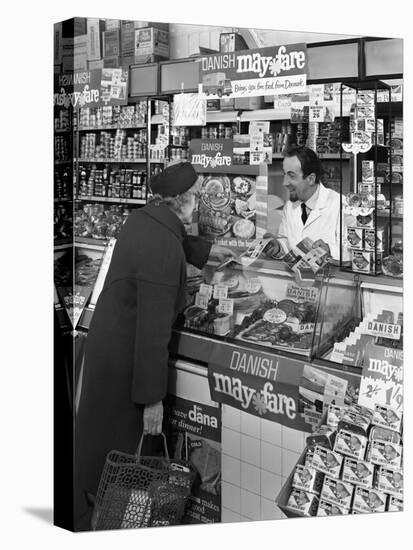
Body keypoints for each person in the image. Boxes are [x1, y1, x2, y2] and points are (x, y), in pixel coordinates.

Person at [74, 162, 234, 531]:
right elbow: (152, 330)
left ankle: (84, 511)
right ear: (181, 200)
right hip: (128, 363)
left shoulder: (141, 220)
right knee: (122, 457)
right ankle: (106, 523)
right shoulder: (162, 248)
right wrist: (151, 399)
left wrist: (213, 251)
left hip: (107, 350)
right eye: (194, 197)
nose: (198, 204)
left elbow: (174, 238)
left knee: (95, 445)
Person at [266, 145, 354, 261]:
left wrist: (330, 250)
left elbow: (355, 251)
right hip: (295, 277)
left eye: (291, 176)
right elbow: (287, 242)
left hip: (329, 277)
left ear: (311, 179)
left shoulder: (341, 206)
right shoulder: (290, 206)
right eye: (284, 175)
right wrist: (278, 247)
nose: (284, 183)